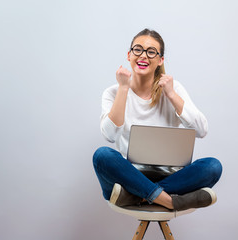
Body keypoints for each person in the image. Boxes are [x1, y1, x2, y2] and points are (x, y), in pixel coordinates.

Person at [92, 28, 222, 211]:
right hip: (130, 176)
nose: (143, 55)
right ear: (129, 55)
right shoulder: (113, 92)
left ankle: (139, 197)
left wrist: (171, 94)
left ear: (160, 60)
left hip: (170, 176)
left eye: (151, 51)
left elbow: (202, 130)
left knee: (213, 166)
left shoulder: (173, 88)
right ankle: (170, 201)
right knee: (102, 156)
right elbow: (109, 135)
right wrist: (123, 89)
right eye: (138, 49)